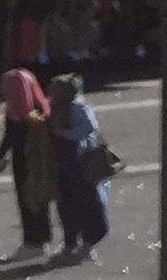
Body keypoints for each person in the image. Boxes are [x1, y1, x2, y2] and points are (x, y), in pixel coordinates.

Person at [0, 57, 52, 260]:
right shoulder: (40, 109)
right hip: (37, 160)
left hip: (27, 161)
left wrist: (0, 157)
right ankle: (41, 239)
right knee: (38, 199)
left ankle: (33, 241)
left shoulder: (21, 114)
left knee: (29, 200)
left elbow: (11, 135)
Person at [49, 73, 109, 265]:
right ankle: (71, 244)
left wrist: (64, 133)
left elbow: (89, 127)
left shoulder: (76, 106)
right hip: (64, 164)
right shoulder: (58, 106)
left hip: (78, 163)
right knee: (67, 205)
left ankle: (86, 245)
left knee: (86, 203)